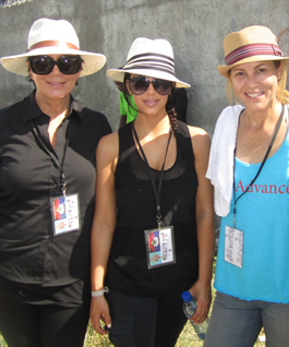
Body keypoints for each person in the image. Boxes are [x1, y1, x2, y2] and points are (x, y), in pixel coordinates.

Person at [0, 18, 111, 347]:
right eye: (43, 63)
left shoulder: (97, 127)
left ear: (79, 71)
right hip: (9, 281)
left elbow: (107, 208)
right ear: (30, 70)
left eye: (66, 63)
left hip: (71, 282)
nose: (56, 73)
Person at [203, 25, 289, 347]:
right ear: (230, 80)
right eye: (240, 74)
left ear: (279, 72)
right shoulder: (226, 125)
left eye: (261, 70)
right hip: (233, 286)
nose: (251, 83)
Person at [90, 37, 215, 347]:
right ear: (126, 87)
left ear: (171, 89)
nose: (150, 91)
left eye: (160, 83)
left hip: (179, 284)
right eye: (140, 82)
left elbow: (204, 214)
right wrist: (96, 291)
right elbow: (104, 222)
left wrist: (204, 280)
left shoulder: (197, 141)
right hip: (127, 286)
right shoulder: (110, 146)